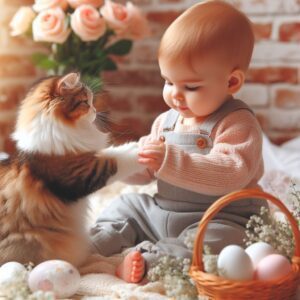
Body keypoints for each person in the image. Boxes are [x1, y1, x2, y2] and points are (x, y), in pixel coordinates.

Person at [90, 0, 265, 283]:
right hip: (163, 212)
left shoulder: (238, 123)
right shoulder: (166, 121)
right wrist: (117, 165)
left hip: (221, 217)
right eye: (168, 82)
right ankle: (91, 244)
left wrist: (168, 159)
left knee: (215, 244)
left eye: (190, 86)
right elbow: (147, 169)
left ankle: (151, 261)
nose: (175, 95)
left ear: (231, 82)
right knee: (126, 206)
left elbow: (230, 172)